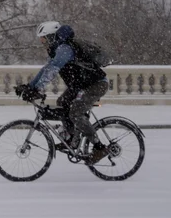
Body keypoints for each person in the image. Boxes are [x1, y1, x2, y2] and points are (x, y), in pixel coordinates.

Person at [15, 21, 109, 165]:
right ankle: (72, 138)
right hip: (81, 86)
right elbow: (46, 69)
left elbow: (53, 69)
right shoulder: (57, 49)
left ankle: (99, 147)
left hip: (96, 84)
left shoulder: (65, 49)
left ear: (52, 37)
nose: (42, 42)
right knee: (62, 103)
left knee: (76, 113)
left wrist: (36, 89)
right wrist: (30, 86)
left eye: (44, 38)